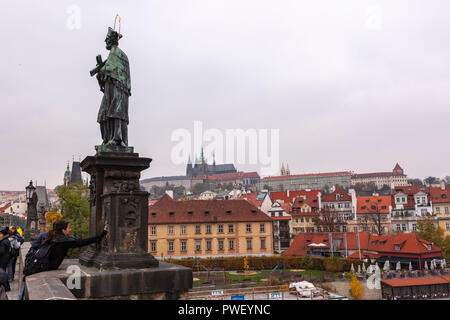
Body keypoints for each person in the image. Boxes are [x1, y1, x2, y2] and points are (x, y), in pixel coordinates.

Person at [96, 27, 131, 147]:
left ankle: (117, 138)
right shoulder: (112, 55)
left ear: (112, 40)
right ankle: (107, 139)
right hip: (110, 89)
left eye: (107, 39)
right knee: (103, 115)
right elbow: (107, 72)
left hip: (119, 89)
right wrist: (101, 74)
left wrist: (102, 69)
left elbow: (112, 70)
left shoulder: (117, 54)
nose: (106, 41)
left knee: (116, 112)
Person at [32, 219, 107, 273]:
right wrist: (101, 236)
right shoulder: (62, 241)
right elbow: (81, 242)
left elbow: (75, 239)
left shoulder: (53, 235)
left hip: (40, 265)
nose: (70, 229)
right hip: (47, 267)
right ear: (63, 230)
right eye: (68, 228)